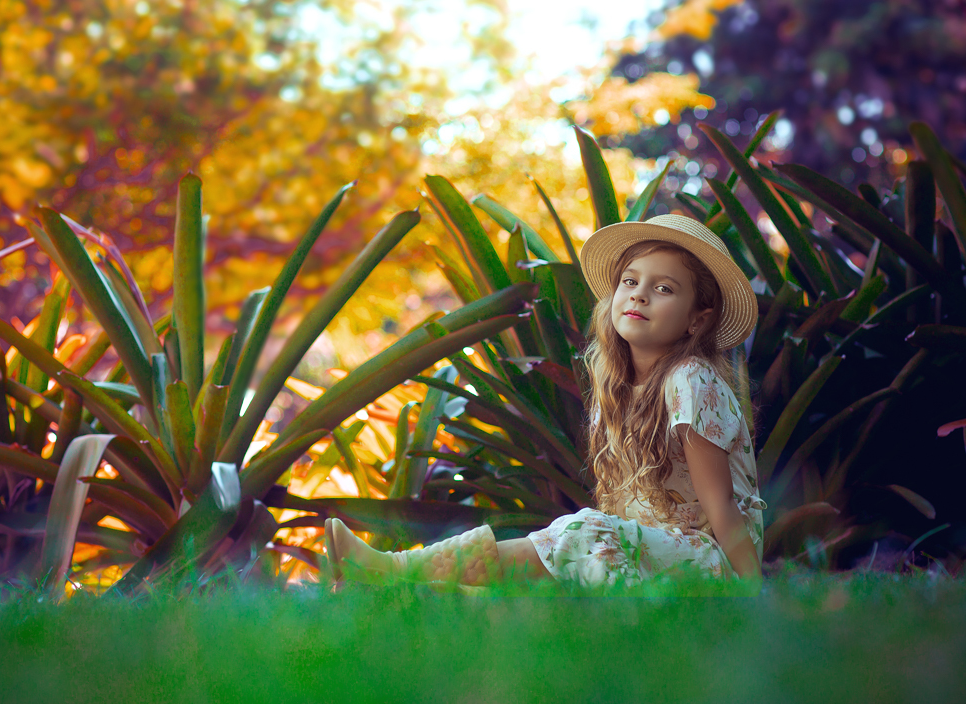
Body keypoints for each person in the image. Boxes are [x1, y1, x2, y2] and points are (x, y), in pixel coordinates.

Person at [324, 214, 766, 590]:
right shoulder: (618, 387)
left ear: (697, 319)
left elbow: (722, 507)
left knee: (582, 531)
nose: (639, 294)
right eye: (630, 281)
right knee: (559, 571)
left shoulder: (691, 380)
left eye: (664, 288)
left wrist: (750, 597)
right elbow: (625, 510)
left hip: (710, 564)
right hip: (650, 558)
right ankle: (412, 585)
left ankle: (394, 570)